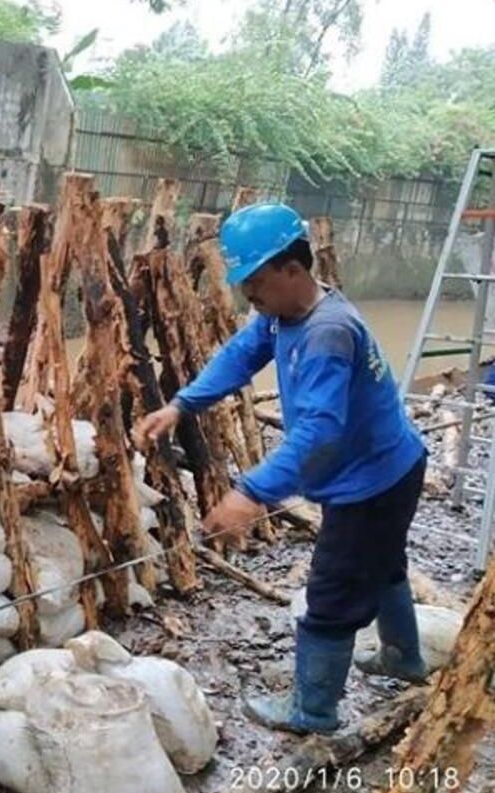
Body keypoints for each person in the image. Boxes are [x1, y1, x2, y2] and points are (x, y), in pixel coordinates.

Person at [133, 203, 429, 734]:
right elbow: (239, 355)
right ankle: (403, 659)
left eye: (255, 281)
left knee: (330, 594)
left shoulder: (327, 334)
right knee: (385, 565)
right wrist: (181, 404)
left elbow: (319, 434)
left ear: (293, 270)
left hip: (373, 482)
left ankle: (313, 712)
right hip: (388, 467)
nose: (249, 293)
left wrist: (252, 492)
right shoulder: (281, 313)